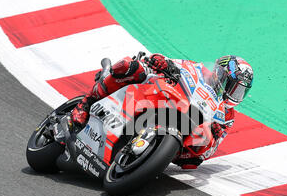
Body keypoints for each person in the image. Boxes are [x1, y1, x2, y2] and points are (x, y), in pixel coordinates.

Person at [71, 53, 253, 169]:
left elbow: (209, 152)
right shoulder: (197, 69)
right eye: (234, 87)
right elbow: (173, 63)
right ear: (221, 74)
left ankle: (145, 156)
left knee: (191, 162)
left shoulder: (227, 116)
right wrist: (162, 63)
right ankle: (86, 104)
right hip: (165, 99)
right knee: (130, 66)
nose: (234, 94)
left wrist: (209, 138)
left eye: (240, 91)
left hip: (184, 132)